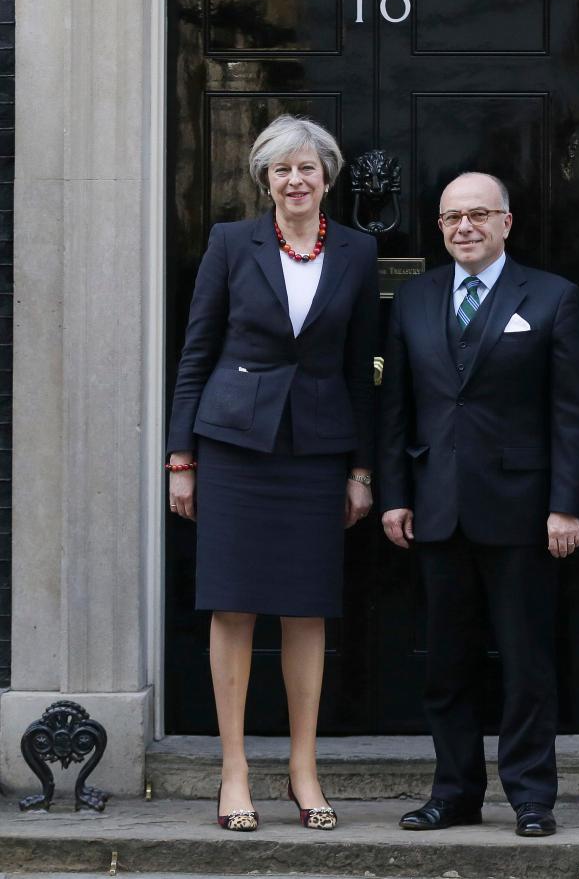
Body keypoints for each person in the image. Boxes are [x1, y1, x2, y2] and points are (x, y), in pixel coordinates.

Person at [167, 115, 378, 832]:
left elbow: (359, 368)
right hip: (232, 444)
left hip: (315, 448)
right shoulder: (231, 244)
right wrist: (180, 459)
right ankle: (233, 768)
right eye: (282, 169)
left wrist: (360, 469)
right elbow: (196, 351)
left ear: (326, 179)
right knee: (232, 604)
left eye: (307, 169)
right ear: (265, 179)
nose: (295, 180)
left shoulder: (355, 250)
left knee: (305, 604)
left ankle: (303, 765)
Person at [380, 172, 579, 837]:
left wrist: (566, 505)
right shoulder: (412, 299)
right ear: (439, 227)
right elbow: (396, 410)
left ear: (506, 221)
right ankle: (454, 793)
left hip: (523, 511)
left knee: (526, 662)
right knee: (446, 664)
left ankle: (531, 797)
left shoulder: (553, 296)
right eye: (450, 218)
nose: (463, 227)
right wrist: (393, 496)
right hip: (437, 510)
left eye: (477, 214)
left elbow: (571, 413)